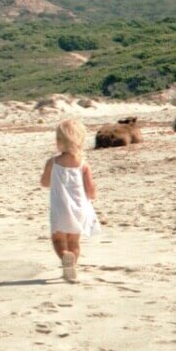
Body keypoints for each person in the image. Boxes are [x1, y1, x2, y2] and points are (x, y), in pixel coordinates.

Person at [40, 119, 100, 283]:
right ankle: (72, 263)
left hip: (60, 209)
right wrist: (92, 196)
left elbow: (44, 183)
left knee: (58, 240)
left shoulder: (52, 162)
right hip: (79, 209)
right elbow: (91, 189)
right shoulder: (83, 164)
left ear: (58, 142)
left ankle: (65, 256)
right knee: (74, 240)